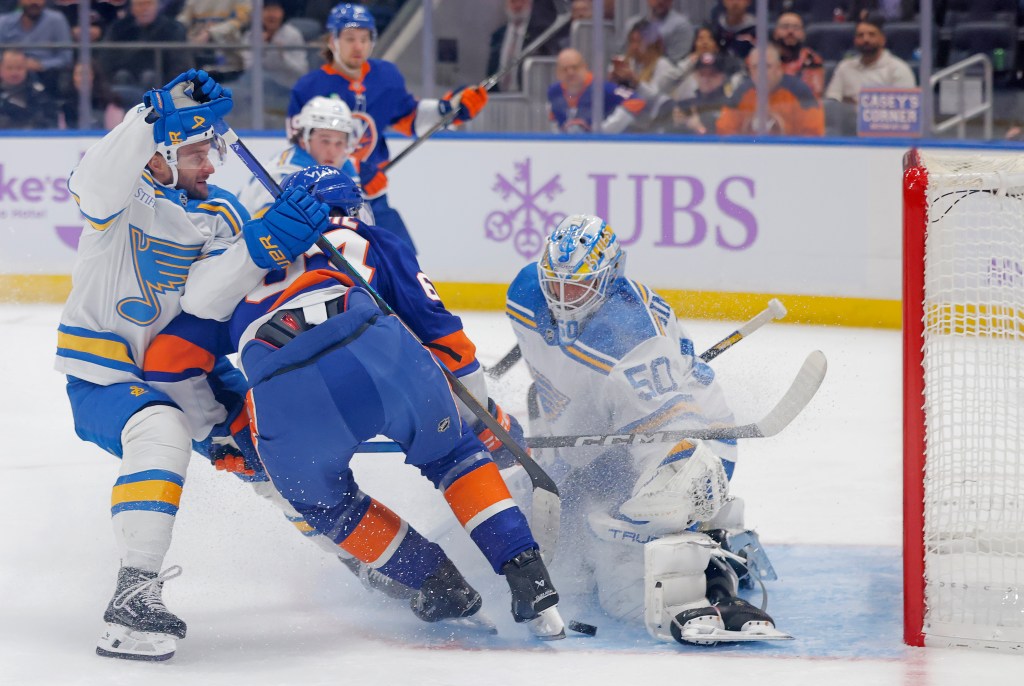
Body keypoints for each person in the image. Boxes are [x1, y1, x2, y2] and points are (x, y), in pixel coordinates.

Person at [160, 165, 567, 640]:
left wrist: (223, 434)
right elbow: (443, 337)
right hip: (377, 351)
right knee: (454, 455)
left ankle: (439, 585)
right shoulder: (375, 240)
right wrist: (481, 419)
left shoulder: (238, 264)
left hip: (280, 383)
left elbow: (170, 359)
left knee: (324, 505)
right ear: (351, 209)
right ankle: (527, 573)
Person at [54, 68, 328, 662]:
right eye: (199, 151)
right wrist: (147, 116)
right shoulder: (120, 195)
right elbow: (91, 183)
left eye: (211, 150)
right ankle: (133, 594)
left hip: (188, 370)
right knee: (160, 429)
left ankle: (378, 562)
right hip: (109, 375)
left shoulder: (222, 213)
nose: (211, 165)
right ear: (159, 158)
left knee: (279, 458)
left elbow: (208, 300)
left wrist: (269, 243)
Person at [505, 213, 787, 646]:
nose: (562, 299)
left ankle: (718, 562)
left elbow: (675, 430)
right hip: (594, 441)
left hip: (690, 440)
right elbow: (557, 368)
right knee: (566, 565)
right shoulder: (526, 291)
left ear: (610, 277)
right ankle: (706, 535)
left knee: (625, 586)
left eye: (577, 287)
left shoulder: (632, 340)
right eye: (554, 284)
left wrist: (663, 498)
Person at [288, 3, 488, 253]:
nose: (358, 46)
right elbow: (301, 149)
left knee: (403, 259)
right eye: (350, 39)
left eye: (365, 38)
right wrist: (357, 169)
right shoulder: (308, 88)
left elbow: (410, 117)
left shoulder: (386, 77)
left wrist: (449, 109)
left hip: (373, 197)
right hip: (323, 200)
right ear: (332, 41)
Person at [237, 95, 360, 219]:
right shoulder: (286, 174)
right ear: (303, 139)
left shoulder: (345, 166)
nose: (332, 151)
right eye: (325, 141)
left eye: (339, 143)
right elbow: (269, 228)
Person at [716, 43, 824, 136]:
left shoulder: (800, 92)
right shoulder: (741, 92)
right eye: (755, 67)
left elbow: (814, 133)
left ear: (779, 69)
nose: (761, 72)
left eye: (767, 66)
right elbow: (724, 131)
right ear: (750, 71)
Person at [547, 47, 645, 134]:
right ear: (558, 72)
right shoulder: (554, 92)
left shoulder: (602, 87)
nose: (570, 73)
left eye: (575, 67)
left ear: (584, 67)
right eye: (565, 69)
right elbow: (554, 119)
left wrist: (605, 131)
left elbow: (636, 101)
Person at [101, 0, 191, 92]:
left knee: (149, 77)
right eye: (140, 4)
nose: (144, 9)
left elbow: (180, 64)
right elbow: (106, 60)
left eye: (149, 4)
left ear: (157, 6)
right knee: (121, 75)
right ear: (132, 8)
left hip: (161, 84)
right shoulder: (118, 28)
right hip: (125, 80)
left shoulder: (173, 29)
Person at [823, 15, 916, 105]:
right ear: (855, 41)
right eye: (860, 35)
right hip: (848, 120)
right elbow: (832, 103)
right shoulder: (844, 67)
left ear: (882, 40)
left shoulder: (899, 69)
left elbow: (904, 111)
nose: (866, 39)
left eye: (872, 35)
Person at [239, 0, 308, 113]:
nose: (271, 15)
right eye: (267, 10)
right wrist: (261, 50)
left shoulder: (292, 35)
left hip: (286, 88)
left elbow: (302, 71)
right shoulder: (251, 35)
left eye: (275, 10)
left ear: (283, 13)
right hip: (259, 89)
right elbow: (248, 69)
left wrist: (282, 56)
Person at [0, 0, 73, 94]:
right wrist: (12, 63)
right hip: (8, 76)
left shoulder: (56, 20)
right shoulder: (4, 22)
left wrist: (41, 65)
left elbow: (66, 57)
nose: (34, 2)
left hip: (46, 77)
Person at [487, 0, 553, 93]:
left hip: (528, 98)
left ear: (530, 3)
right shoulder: (498, 35)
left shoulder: (541, 34)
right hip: (501, 99)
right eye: (513, 1)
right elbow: (491, 73)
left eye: (522, 1)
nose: (518, 5)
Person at [177, 0, 251, 80]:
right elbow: (182, 21)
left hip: (230, 66)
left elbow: (241, 21)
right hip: (197, 64)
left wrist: (210, 33)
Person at [669, 51, 734, 135]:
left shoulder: (731, 106)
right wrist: (676, 123)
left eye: (712, 74)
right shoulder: (685, 106)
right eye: (702, 74)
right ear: (695, 76)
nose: (705, 79)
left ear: (722, 77)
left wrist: (702, 127)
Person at [57, 60, 126, 130]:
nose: (82, 78)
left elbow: (115, 133)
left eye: (86, 74)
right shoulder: (67, 106)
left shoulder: (109, 102)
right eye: (78, 74)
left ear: (95, 76)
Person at [0, 47, 57, 128]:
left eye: (19, 68)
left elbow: (50, 121)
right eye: (9, 68)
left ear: (26, 69)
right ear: (1, 69)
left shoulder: (38, 93)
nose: (14, 73)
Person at [772, 12, 824, 99]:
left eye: (796, 27)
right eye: (785, 27)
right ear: (775, 33)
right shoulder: (764, 59)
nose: (790, 32)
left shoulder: (811, 59)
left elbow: (814, 95)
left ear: (803, 34)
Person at [623, 0, 693, 63]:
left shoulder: (681, 25)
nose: (661, 1)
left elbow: (676, 64)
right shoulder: (632, 24)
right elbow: (623, 54)